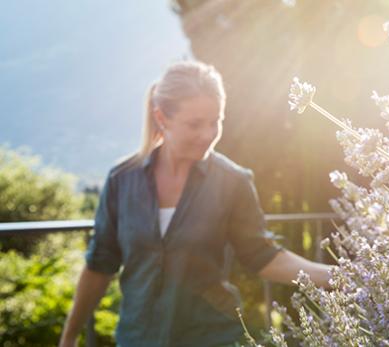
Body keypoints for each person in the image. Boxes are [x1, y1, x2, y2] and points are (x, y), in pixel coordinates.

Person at [58, 60, 333, 347]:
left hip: (212, 338)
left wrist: (335, 277)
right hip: (137, 338)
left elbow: (263, 257)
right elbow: (99, 265)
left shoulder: (233, 182)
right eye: (195, 124)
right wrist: (68, 338)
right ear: (162, 117)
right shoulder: (122, 180)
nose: (208, 134)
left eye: (216, 121)